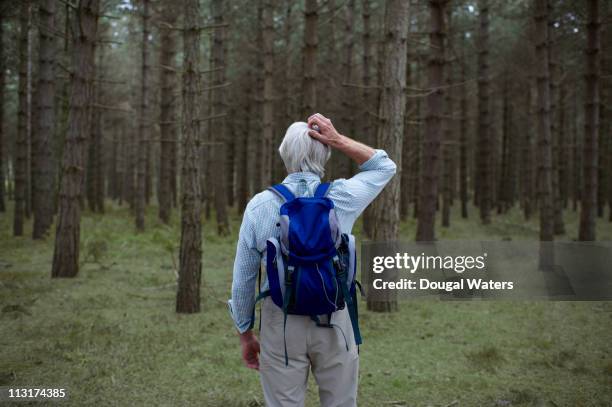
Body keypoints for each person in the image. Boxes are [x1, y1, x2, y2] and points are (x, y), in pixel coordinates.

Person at [229, 113, 396, 407]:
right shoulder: (342, 196)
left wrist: (245, 333)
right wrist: (338, 138)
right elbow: (384, 165)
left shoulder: (259, 205)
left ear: (284, 154)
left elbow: (243, 277)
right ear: (326, 152)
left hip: (280, 319)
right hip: (334, 315)